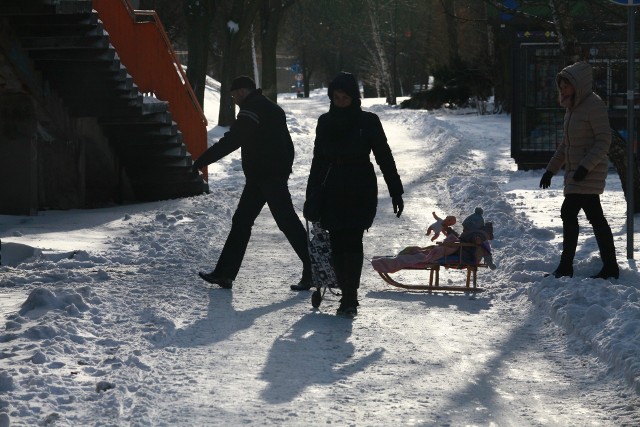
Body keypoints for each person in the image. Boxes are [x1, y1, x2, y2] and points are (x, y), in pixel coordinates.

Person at [192, 75, 312, 290]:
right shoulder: (271, 108)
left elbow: (233, 140)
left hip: (266, 177)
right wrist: (284, 170)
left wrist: (201, 161)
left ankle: (316, 269)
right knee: (245, 222)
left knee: (285, 222)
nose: (234, 99)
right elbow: (287, 144)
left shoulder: (251, 110)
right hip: (264, 177)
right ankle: (224, 274)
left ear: (241, 92)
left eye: (235, 94)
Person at [301, 71, 404, 316]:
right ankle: (346, 291)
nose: (340, 101)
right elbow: (318, 159)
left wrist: (395, 190)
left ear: (354, 97)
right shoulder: (325, 122)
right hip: (332, 187)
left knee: (353, 240)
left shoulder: (368, 121)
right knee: (337, 241)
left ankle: (350, 297)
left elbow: (384, 156)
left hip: (360, 186)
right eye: (336, 97)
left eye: (345, 97)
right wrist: (311, 192)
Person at [539, 61, 619, 280]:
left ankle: (567, 267)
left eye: (566, 85)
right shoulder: (572, 108)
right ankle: (609, 267)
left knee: (570, 212)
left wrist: (585, 167)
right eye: (561, 86)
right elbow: (566, 145)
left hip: (588, 173)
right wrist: (550, 170)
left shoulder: (593, 105)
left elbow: (604, 140)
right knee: (594, 217)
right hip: (575, 173)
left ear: (578, 84)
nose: (562, 90)